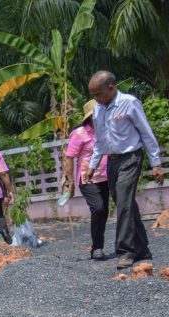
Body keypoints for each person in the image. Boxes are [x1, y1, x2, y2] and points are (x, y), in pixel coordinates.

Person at [85, 71, 164, 269]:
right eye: (92, 95)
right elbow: (100, 141)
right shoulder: (98, 109)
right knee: (124, 201)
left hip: (131, 157)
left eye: (97, 94)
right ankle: (142, 249)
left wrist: (156, 163)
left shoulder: (129, 102)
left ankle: (126, 251)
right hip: (112, 161)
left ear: (111, 88)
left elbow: (146, 133)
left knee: (124, 202)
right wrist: (92, 166)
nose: (95, 99)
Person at [64, 100, 110, 260]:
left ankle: (98, 247)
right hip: (87, 179)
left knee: (104, 211)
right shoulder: (80, 133)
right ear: (90, 116)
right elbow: (69, 158)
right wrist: (70, 182)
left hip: (106, 177)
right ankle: (96, 248)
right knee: (98, 208)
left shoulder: (105, 130)